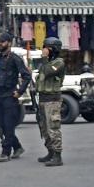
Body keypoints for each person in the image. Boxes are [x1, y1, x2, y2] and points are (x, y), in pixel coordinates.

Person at [0, 32, 31, 162]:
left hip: (9, 96)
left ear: (8, 43)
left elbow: (26, 76)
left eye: (2, 41)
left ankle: (5, 152)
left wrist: (20, 91)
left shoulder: (15, 59)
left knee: (8, 125)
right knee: (0, 125)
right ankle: (17, 147)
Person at [35, 38, 66, 167]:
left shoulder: (58, 63)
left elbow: (48, 72)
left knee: (53, 127)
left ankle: (57, 156)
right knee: (44, 128)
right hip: (43, 98)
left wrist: (44, 58)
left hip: (52, 100)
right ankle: (50, 152)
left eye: (47, 47)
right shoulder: (46, 63)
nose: (44, 50)